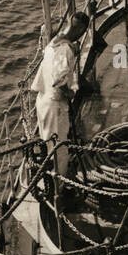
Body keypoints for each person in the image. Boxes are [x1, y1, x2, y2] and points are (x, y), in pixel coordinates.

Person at [31, 12, 89, 182]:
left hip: (42, 100)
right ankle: (59, 187)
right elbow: (59, 80)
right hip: (54, 105)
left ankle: (50, 179)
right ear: (80, 29)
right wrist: (70, 93)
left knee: (48, 143)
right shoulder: (65, 50)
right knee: (59, 148)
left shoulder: (53, 44)